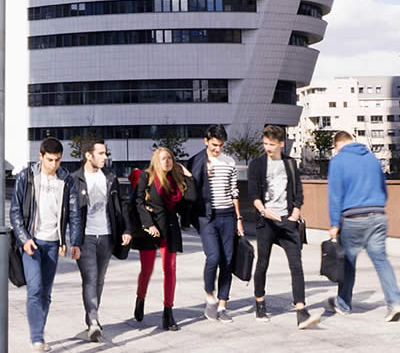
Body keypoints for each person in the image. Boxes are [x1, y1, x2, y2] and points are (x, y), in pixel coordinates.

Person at [10, 138, 81, 351]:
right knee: (35, 289)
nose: (54, 164)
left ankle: (38, 331)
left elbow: (74, 214)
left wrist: (73, 242)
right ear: (40, 156)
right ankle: (37, 337)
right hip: (32, 241)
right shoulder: (26, 177)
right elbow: (15, 211)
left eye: (58, 160)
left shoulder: (66, 180)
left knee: (46, 293)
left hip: (53, 243)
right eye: (50, 160)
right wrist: (24, 239)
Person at [248, 125, 320, 329]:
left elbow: (298, 191)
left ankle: (301, 310)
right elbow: (253, 194)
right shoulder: (257, 164)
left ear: (281, 144)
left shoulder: (290, 163)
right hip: (266, 222)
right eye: (265, 143)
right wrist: (263, 211)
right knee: (263, 263)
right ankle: (260, 303)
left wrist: (296, 211)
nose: (267, 148)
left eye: (271, 144)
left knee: (296, 265)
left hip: (288, 221)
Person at [328, 131, 400, 322]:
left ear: (337, 145)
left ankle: (343, 304)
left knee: (348, 262)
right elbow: (383, 188)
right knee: (381, 261)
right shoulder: (372, 159)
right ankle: (394, 302)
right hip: (378, 215)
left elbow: (335, 195)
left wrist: (334, 224)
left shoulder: (338, 161)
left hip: (354, 217)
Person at [73, 139, 131, 342]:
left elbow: (121, 204)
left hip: (106, 235)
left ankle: (91, 315)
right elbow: (68, 211)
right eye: (100, 153)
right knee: (90, 278)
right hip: (86, 237)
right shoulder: (75, 179)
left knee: (99, 279)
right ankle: (93, 320)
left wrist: (126, 229)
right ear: (88, 155)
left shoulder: (110, 177)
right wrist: (68, 240)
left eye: (105, 153)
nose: (105, 157)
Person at [186, 124, 243, 323]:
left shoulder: (229, 162)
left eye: (220, 145)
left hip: (227, 216)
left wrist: (238, 219)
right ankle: (210, 295)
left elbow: (234, 191)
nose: (217, 149)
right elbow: (187, 187)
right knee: (213, 257)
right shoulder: (196, 161)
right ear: (206, 141)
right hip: (207, 216)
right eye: (214, 145)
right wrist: (199, 177)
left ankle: (222, 306)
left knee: (227, 261)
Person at [131, 147, 191, 332]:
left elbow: (192, 197)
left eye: (170, 158)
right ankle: (140, 298)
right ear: (156, 160)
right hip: (150, 230)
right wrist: (148, 224)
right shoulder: (147, 177)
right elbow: (138, 202)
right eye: (164, 158)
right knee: (147, 269)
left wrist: (188, 176)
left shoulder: (176, 180)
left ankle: (168, 312)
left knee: (170, 269)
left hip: (170, 228)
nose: (168, 161)